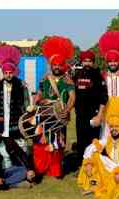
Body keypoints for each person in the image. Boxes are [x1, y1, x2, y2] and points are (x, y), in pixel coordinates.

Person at [77, 97, 119, 199]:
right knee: (95, 155)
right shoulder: (108, 139)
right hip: (111, 167)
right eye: (111, 127)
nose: (114, 129)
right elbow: (93, 146)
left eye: (117, 126)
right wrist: (88, 161)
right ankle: (94, 185)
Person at [32, 35, 76, 179]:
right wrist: (37, 100)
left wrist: (66, 111)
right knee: (42, 141)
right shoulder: (45, 79)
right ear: (51, 65)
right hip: (45, 115)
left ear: (63, 65)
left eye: (59, 64)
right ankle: (42, 167)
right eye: (54, 64)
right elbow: (39, 94)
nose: (57, 67)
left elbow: (72, 97)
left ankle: (56, 170)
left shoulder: (67, 80)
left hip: (59, 116)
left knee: (58, 142)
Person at [0, 45, 32, 153]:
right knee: (4, 144)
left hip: (17, 119)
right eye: (6, 73)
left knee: (20, 143)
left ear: (13, 72)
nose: (8, 75)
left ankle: (23, 164)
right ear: (3, 73)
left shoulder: (21, 85)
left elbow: (28, 101)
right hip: (2, 119)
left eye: (10, 73)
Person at [71, 50, 107, 173]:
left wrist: (99, 115)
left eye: (89, 61)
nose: (87, 63)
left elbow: (103, 97)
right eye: (85, 61)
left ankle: (95, 166)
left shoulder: (98, 76)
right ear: (82, 62)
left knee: (93, 141)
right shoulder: (76, 76)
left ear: (93, 62)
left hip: (94, 114)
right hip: (80, 115)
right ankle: (82, 167)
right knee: (81, 141)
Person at [0, 123, 35, 192]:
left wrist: (29, 169)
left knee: (25, 170)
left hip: (13, 168)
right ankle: (14, 184)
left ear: (1, 132)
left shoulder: (9, 141)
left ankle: (2, 185)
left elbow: (22, 154)